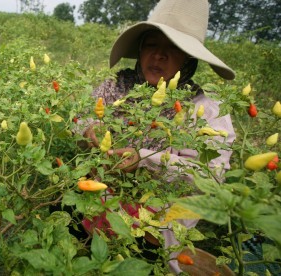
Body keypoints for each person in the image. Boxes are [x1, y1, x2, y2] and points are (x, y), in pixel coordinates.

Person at [77, 0, 236, 274]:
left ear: (189, 59)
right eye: (151, 45)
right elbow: (80, 118)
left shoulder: (207, 111)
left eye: (173, 48)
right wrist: (88, 128)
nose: (159, 55)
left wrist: (145, 160)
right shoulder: (117, 86)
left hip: (155, 229)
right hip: (94, 204)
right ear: (140, 51)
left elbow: (210, 177)